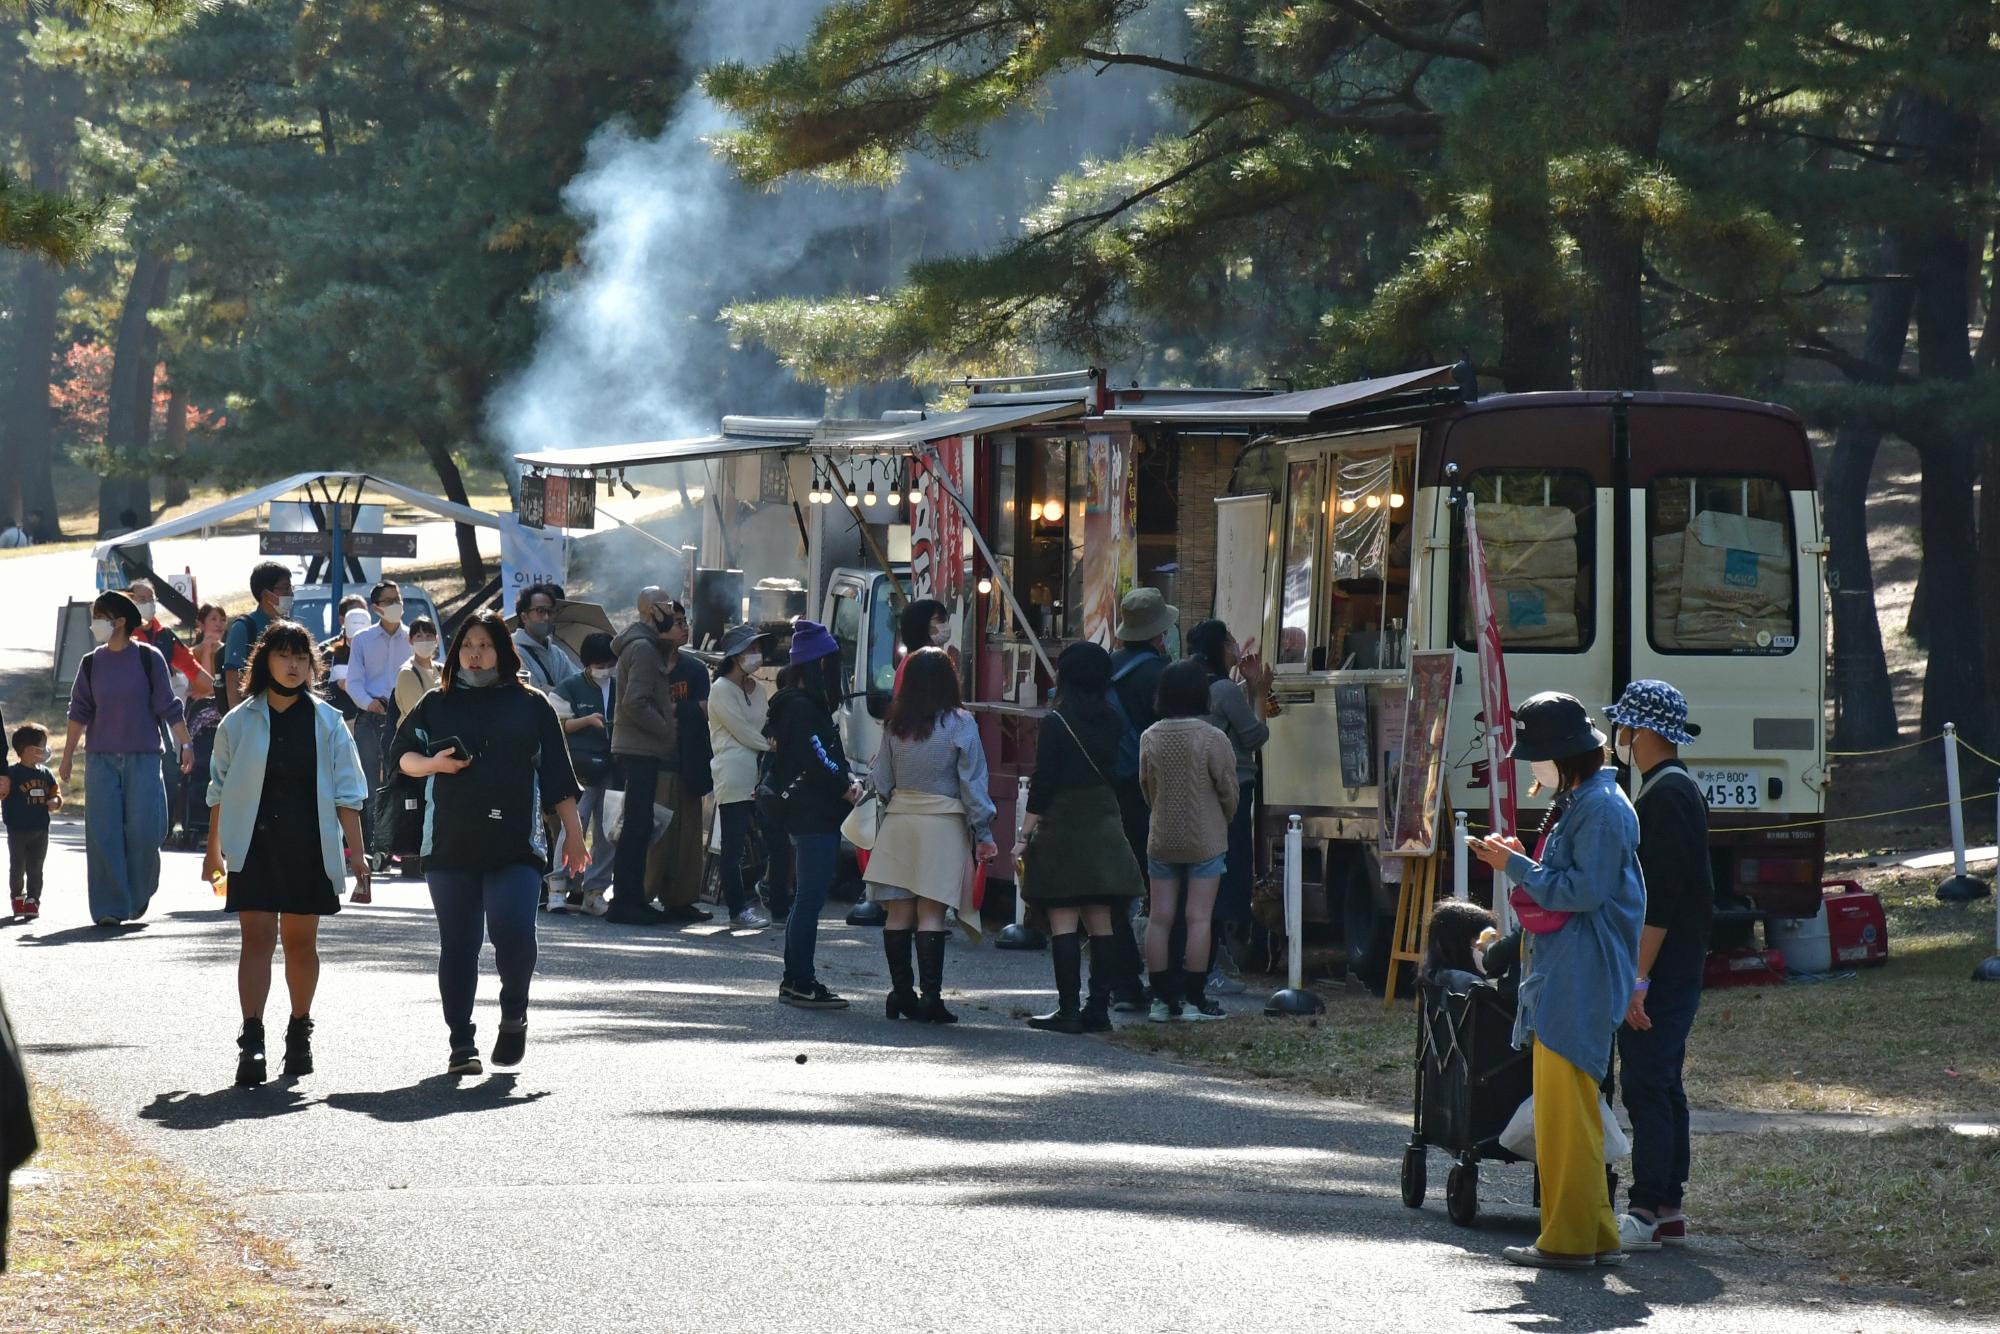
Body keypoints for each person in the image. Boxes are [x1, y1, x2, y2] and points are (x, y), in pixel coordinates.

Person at [1470, 691, 1644, 1271]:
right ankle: (1594, 1233)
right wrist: (1520, 860)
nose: (1533, 767)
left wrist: (1513, 865)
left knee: (1566, 1117)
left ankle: (1567, 1242)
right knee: (1572, 1112)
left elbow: (1582, 892)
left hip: (1581, 972)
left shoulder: (1599, 807)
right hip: (1567, 971)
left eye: (1538, 756)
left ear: (1563, 755)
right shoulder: (1587, 799)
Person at [392, 611, 588, 1075]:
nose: (474, 654)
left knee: (513, 932)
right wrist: (433, 765)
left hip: (515, 844)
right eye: (466, 646)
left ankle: (514, 1014)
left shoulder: (531, 703)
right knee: (458, 944)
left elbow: (560, 778)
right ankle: (461, 1042)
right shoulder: (436, 702)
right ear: (456, 652)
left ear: (502, 650)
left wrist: (575, 838)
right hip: (450, 845)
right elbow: (401, 757)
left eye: (484, 645)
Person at [203, 622, 370, 1087]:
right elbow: (217, 790)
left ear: (312, 664)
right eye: (283, 655)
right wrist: (212, 852)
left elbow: (347, 793)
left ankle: (299, 1031)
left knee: (300, 942)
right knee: (255, 939)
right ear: (265, 661)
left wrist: (357, 855)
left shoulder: (329, 722)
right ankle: (251, 1039)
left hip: (308, 844)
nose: (293, 665)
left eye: (302, 657)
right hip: (253, 844)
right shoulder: (238, 721)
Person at [1604, 680, 1713, 1253]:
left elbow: (1660, 901)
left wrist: (1637, 979)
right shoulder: (1673, 788)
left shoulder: (1664, 797)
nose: (1619, 736)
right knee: (1663, 1080)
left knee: (1646, 1079)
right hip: (1678, 961)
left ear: (1641, 732)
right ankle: (1668, 1205)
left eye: (1623, 726)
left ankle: (1645, 1208)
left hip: (1664, 965)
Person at [1014, 642, 1144, 1034]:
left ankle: (1068, 1009)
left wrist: (1024, 834)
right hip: (1104, 822)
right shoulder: (1113, 719)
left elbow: (1044, 783)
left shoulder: (1056, 722)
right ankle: (1098, 1008)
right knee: (1101, 920)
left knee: (1064, 922)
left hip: (1064, 826)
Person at [864, 648, 997, 1024]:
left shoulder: (894, 724)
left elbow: (883, 782)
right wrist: (983, 832)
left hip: (900, 822)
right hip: (943, 824)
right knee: (931, 913)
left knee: (898, 911)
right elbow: (973, 785)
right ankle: (930, 999)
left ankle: (900, 993)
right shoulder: (961, 723)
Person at [60, 591, 193, 926]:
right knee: (103, 834)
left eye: (100, 616)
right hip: (101, 760)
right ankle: (109, 907)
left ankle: (137, 893)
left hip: (144, 759)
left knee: (146, 832)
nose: (95, 624)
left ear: (119, 621)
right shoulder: (91, 663)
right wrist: (66, 759)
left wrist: (186, 744)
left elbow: (168, 705)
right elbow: (79, 711)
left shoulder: (149, 658)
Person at [763, 619, 863, 1008]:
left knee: (806, 897)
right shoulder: (803, 708)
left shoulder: (792, 703)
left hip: (807, 810)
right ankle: (800, 979)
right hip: (813, 812)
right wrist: (845, 786)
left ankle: (795, 978)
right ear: (820, 665)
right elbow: (818, 757)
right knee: (809, 899)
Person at [1137, 659, 1240, 1022]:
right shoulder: (1213, 738)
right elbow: (1229, 788)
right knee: (1199, 918)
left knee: (1160, 917)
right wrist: (1222, 817)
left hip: (1162, 835)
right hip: (1206, 838)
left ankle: (1162, 1000)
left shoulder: (1150, 736)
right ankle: (1196, 999)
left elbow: (1146, 787)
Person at [1184, 619, 1272, 997]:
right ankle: (1211, 963)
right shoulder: (1223, 689)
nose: (1237, 645)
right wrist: (1258, 692)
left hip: (1189, 790)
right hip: (1230, 787)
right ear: (1221, 647)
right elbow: (1255, 735)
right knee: (1225, 870)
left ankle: (1198, 962)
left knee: (1197, 873)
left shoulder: (1186, 682)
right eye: (1231, 640)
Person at [1104, 587, 1177, 1009]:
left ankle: (1122, 982)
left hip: (1111, 788)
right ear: (1158, 634)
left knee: (1117, 889)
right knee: (1163, 888)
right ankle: (1168, 984)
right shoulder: (1162, 675)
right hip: (1154, 791)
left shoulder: (1106, 670)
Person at [607, 587, 681, 927]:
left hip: (637, 748)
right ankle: (625, 900)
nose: (672, 607)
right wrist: (666, 728)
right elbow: (635, 701)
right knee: (636, 829)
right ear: (652, 610)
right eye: (667, 603)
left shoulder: (641, 646)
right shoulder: (644, 648)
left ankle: (631, 897)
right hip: (639, 749)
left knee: (637, 827)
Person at [645, 598, 713, 921]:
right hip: (653, 760)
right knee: (656, 833)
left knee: (688, 835)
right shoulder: (646, 662)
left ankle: (681, 899)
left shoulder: (695, 669)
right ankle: (643, 894)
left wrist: (669, 710)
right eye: (676, 622)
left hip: (689, 759)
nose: (684, 627)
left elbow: (703, 709)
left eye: (686, 621)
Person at [707, 623, 775, 928]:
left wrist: (769, 747)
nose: (756, 655)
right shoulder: (720, 689)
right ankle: (737, 909)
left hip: (758, 772)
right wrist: (772, 747)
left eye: (758, 649)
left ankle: (760, 894)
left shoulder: (758, 689)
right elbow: (743, 730)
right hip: (733, 773)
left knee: (762, 841)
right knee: (733, 847)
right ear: (735, 656)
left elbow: (759, 725)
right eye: (750, 650)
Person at [549, 633, 619, 915]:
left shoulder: (620, 685)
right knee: (573, 825)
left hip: (613, 767)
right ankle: (557, 886)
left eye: (609, 662)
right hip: (580, 769)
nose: (605, 668)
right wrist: (587, 721)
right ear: (588, 662)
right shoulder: (570, 687)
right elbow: (557, 724)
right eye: (599, 663)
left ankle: (595, 890)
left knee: (608, 830)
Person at [345, 580, 413, 853]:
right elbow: (353, 682)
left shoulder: (413, 638)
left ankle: (399, 844)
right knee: (370, 784)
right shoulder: (362, 640)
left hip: (404, 718)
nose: (396, 605)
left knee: (401, 782)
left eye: (399, 599)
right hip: (371, 717)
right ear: (375, 608)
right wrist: (369, 703)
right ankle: (373, 845)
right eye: (389, 601)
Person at [4, 725, 61, 920]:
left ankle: (33, 900)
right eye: (43, 746)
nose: (46, 751)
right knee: (18, 867)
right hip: (18, 830)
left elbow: (55, 791)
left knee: (36, 868)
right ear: (29, 750)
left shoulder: (46, 773)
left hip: (40, 830)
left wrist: (55, 801)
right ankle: (18, 897)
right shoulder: (12, 774)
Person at [224, 563, 295, 709]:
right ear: (266, 594)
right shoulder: (244, 628)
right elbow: (233, 680)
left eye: (291, 588)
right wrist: (237, 723)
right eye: (286, 588)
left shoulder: (290, 627)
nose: (291, 594)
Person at [512, 583, 580, 691]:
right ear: (524, 617)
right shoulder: (514, 653)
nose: (547, 617)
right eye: (540, 611)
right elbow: (532, 694)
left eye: (551, 611)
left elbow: (580, 685)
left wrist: (552, 690)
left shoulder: (556, 653)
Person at [893, 598, 952, 690]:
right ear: (921, 625)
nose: (946, 624)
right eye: (940, 619)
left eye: (946, 619)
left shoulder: (908, 662)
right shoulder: (925, 663)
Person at [393, 617, 442, 720]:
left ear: (436, 640)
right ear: (410, 640)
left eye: (429, 636)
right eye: (419, 636)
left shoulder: (441, 669)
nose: (424, 640)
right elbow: (417, 715)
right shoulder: (407, 673)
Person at [190, 604, 230, 701]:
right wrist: (206, 651)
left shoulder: (228, 650)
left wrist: (212, 693)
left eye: (223, 620)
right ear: (202, 624)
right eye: (213, 619)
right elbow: (202, 687)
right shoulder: (192, 653)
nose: (219, 624)